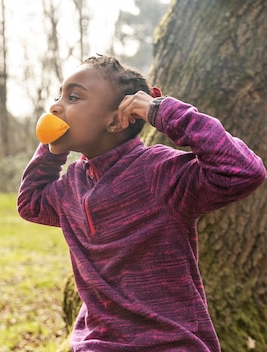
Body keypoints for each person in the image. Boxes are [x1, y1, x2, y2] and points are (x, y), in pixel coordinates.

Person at [17, 55, 265, 351]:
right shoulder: (72, 185)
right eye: (58, 97)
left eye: (73, 97)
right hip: (94, 344)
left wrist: (160, 111)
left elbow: (244, 171)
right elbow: (30, 201)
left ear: (115, 120)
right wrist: (53, 147)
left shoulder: (159, 171)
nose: (55, 107)